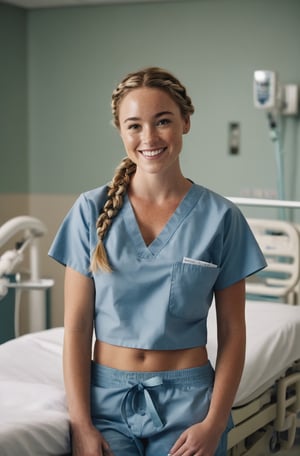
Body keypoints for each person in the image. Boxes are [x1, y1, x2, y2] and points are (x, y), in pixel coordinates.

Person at [49, 66, 267, 456]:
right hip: (106, 405)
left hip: (190, 408)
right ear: (120, 130)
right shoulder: (89, 211)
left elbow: (234, 333)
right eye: (134, 125)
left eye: (162, 121)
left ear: (185, 122)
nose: (149, 137)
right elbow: (77, 328)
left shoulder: (221, 218)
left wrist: (214, 424)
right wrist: (82, 425)